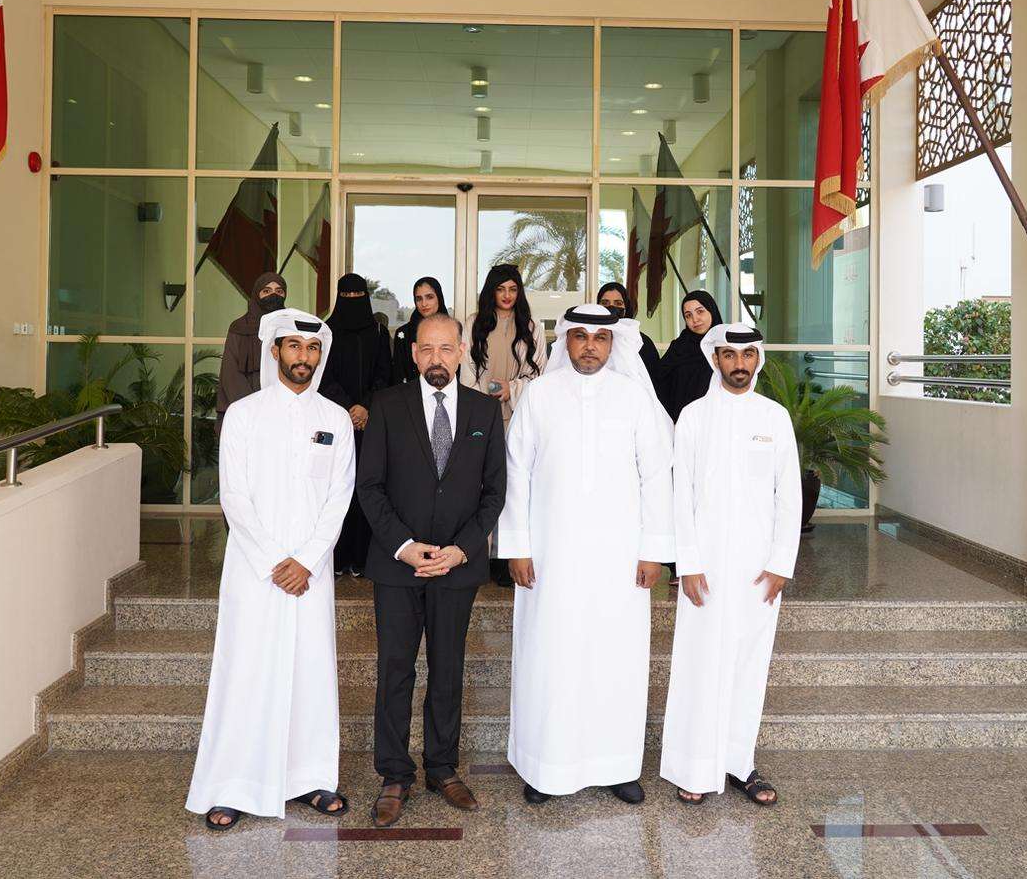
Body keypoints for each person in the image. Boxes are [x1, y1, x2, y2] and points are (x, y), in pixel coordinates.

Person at [186, 308, 356, 831]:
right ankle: (232, 784)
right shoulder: (243, 414)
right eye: (293, 348)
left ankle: (307, 779)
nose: (303, 357)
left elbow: (339, 496)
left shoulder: (335, 419)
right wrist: (272, 561)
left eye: (312, 349)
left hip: (311, 571)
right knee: (246, 672)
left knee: (310, 672)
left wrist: (305, 560)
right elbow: (233, 496)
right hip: (254, 571)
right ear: (274, 351)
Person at [497, 304, 674, 806]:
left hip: (619, 561)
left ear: (612, 343)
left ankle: (617, 765)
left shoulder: (635, 399)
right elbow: (517, 474)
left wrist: (654, 551)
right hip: (550, 559)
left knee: (616, 659)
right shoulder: (540, 396)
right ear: (565, 342)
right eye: (580, 337)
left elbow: (656, 476)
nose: (590, 345)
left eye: (600, 337)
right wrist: (516, 546)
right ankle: (543, 767)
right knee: (550, 657)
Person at [356, 313, 507, 827]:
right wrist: (402, 545)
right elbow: (369, 486)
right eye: (426, 349)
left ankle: (443, 767)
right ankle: (394, 774)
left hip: (457, 568)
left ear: (462, 350)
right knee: (395, 672)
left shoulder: (487, 409)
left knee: (447, 671)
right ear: (414, 353)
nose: (436, 359)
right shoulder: (386, 405)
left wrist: (463, 549)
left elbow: (494, 493)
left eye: (446, 348)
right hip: (398, 567)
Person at [660, 323, 800, 809]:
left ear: (757, 359)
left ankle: (740, 762)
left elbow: (790, 496)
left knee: (748, 664)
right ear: (714, 358)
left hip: (759, 571)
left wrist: (782, 561)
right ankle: (692, 766)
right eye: (729, 355)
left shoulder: (775, 417)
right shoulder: (694, 417)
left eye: (747, 355)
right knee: (700, 663)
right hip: (705, 568)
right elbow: (681, 496)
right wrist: (688, 562)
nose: (739, 364)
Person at [460, 263, 545, 586]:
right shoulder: (473, 324)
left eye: (513, 289)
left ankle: (509, 557)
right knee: (480, 486)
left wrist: (512, 388)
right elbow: (466, 371)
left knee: (512, 485)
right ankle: (479, 554)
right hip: (480, 417)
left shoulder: (531, 326)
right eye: (501, 289)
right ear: (491, 291)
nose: (507, 296)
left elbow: (539, 376)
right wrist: (482, 399)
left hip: (516, 416)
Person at [320, 272, 393, 576]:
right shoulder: (325, 332)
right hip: (338, 423)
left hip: (369, 425)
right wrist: (348, 408)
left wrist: (365, 406)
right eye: (346, 296)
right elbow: (323, 377)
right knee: (337, 489)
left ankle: (363, 558)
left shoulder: (377, 331)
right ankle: (337, 558)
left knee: (366, 489)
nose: (351, 302)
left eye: (357, 296)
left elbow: (384, 375)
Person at [214, 272, 287, 435]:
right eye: (266, 291)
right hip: (244, 408)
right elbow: (230, 373)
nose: (274, 295)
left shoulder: (290, 327)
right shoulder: (239, 327)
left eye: (279, 291)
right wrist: (254, 409)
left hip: (282, 410)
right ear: (256, 295)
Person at [654, 290, 724, 422]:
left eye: (700, 311)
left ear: (711, 310)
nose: (695, 320)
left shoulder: (726, 347)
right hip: (681, 423)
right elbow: (659, 381)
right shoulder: (679, 347)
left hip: (718, 422)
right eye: (688, 315)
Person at [596, 281, 662, 384]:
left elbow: (654, 380)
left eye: (618, 303)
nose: (611, 307)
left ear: (626, 307)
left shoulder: (641, 341)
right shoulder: (590, 337)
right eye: (605, 303)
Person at [391, 277, 448, 384]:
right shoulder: (404, 334)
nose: (424, 304)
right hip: (408, 397)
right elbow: (398, 375)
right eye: (419, 299)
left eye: (429, 297)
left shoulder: (452, 331)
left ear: (439, 298)